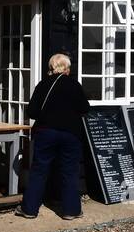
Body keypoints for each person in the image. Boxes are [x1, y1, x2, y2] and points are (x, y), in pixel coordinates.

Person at [16, 53, 90, 220]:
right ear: (67, 69)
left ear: (51, 68)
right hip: (71, 133)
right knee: (70, 171)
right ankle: (71, 210)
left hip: (46, 132)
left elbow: (32, 112)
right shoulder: (74, 85)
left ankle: (29, 209)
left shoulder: (43, 85)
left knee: (39, 170)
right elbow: (85, 108)